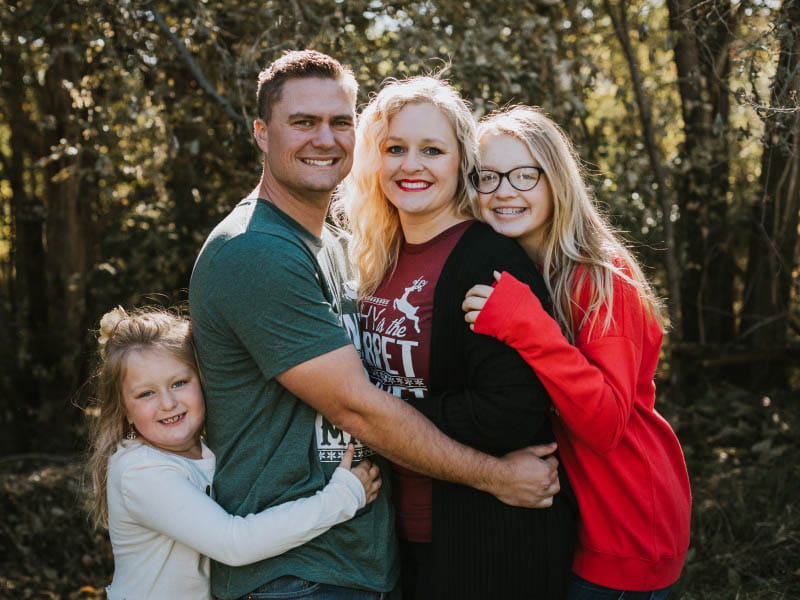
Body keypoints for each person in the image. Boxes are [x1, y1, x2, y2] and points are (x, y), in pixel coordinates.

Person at [189, 50, 562, 600]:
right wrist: (498, 476)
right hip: (294, 570)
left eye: (340, 122)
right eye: (303, 122)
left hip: (369, 556)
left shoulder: (343, 249)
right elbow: (358, 405)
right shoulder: (255, 251)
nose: (325, 138)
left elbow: (512, 401)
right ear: (262, 133)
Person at [341, 77, 576, 600]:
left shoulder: (487, 260)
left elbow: (513, 409)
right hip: (399, 534)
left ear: (460, 163)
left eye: (432, 150)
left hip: (490, 537)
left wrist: (387, 421)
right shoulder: (376, 258)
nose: (411, 164)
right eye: (394, 149)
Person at [463, 106, 692, 599]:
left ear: (556, 181)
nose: (505, 190)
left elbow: (605, 422)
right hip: (574, 517)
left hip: (627, 523)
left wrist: (526, 324)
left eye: (524, 175)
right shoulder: (522, 266)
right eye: (488, 177)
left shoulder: (600, 275)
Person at [85, 306, 382, 600]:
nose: (167, 402)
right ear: (125, 409)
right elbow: (233, 543)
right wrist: (342, 497)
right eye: (146, 393)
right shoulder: (140, 471)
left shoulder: (207, 447)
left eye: (179, 383)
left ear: (203, 380)